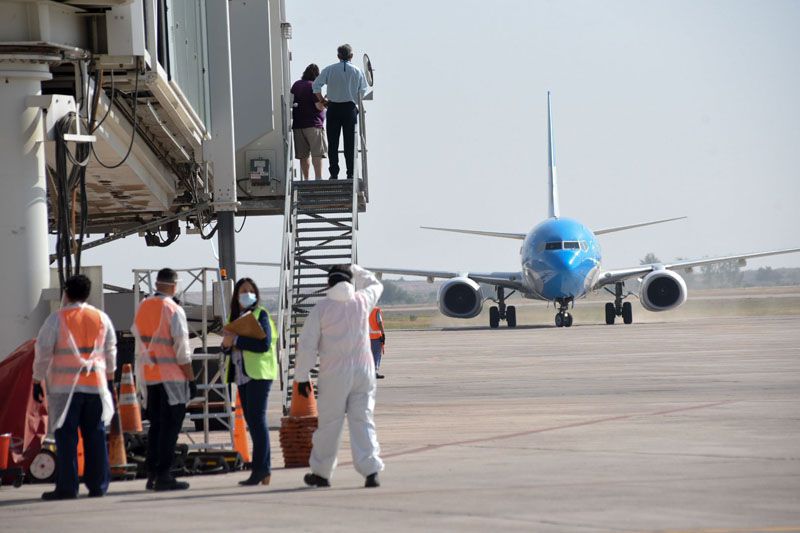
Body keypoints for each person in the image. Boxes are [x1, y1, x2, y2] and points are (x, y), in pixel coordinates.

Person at [295, 264, 384, 488]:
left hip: (333, 373)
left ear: (329, 283)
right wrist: (358, 270)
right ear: (349, 281)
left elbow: (306, 345)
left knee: (329, 424)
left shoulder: (322, 308)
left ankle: (322, 473)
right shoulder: (362, 301)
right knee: (363, 420)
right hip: (364, 372)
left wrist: (302, 377)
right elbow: (376, 284)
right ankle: (371, 471)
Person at [32, 274, 117, 500]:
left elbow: (42, 353)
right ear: (87, 294)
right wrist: (109, 381)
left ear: (66, 293)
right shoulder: (101, 318)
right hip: (95, 388)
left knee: (66, 438)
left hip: (64, 390)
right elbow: (110, 353)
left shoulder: (56, 320)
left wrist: (36, 380)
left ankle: (67, 487)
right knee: (96, 436)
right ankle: (98, 485)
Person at [132, 268, 196, 492]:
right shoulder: (173, 309)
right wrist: (191, 378)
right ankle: (164, 475)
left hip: (150, 378)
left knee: (156, 429)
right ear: (173, 285)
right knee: (170, 430)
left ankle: (152, 473)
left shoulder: (143, 307)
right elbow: (182, 350)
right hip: (172, 379)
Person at [221, 278, 277, 486]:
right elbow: (226, 347)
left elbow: (263, 344)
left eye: (250, 291)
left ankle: (260, 469)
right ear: (236, 295)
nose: (246, 295)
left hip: (258, 374)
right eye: (242, 291)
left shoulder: (260, 315)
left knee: (257, 422)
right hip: (242, 375)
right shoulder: (234, 318)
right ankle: (264, 469)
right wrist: (226, 344)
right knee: (253, 423)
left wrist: (235, 341)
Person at [312, 44, 368, 180]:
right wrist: (355, 100)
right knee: (350, 143)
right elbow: (363, 90)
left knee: (333, 143)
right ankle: (350, 173)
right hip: (349, 108)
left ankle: (334, 173)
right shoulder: (357, 71)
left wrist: (323, 101)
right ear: (351, 56)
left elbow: (316, 86)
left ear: (338, 56)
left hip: (333, 108)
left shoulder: (330, 69)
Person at [291, 64, 328, 180]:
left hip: (298, 125)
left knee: (303, 155)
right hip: (313, 125)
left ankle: (306, 179)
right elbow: (319, 107)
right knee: (317, 153)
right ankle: (318, 178)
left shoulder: (296, 85)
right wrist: (326, 100)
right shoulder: (314, 86)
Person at [369, 306, 386, 379]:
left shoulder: (364, 308)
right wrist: (383, 334)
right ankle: (374, 373)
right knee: (377, 355)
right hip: (376, 337)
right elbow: (379, 322)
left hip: (367, 337)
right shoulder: (376, 310)